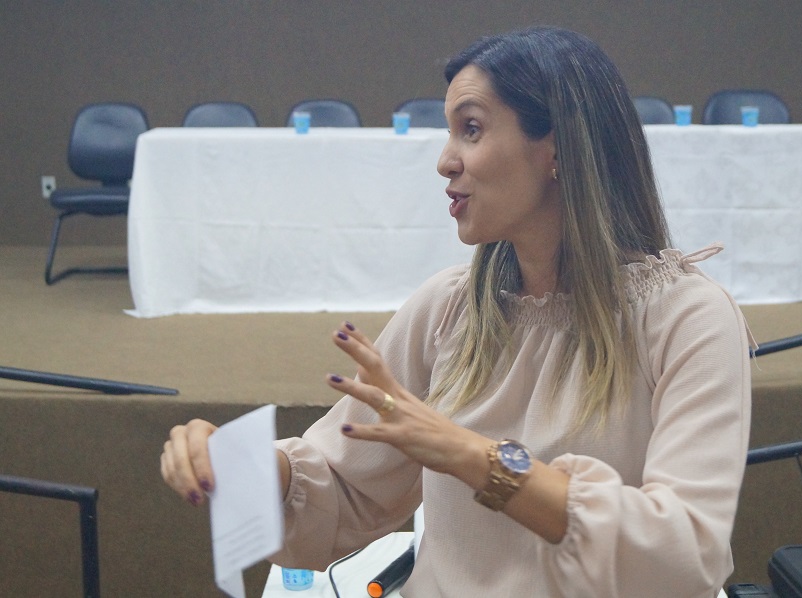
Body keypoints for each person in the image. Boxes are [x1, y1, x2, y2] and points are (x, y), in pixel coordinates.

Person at [161, 26, 752, 597]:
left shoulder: (687, 319)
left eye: (471, 129)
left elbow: (684, 558)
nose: (446, 161)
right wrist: (242, 467)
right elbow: (344, 487)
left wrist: (473, 457)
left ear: (557, 149)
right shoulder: (448, 309)